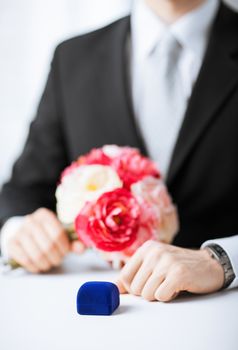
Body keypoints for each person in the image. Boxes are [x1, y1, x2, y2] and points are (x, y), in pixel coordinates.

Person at [0, 0, 237, 302]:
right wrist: (20, 231)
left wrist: (224, 260)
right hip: (97, 315)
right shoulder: (72, 58)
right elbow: (23, 191)